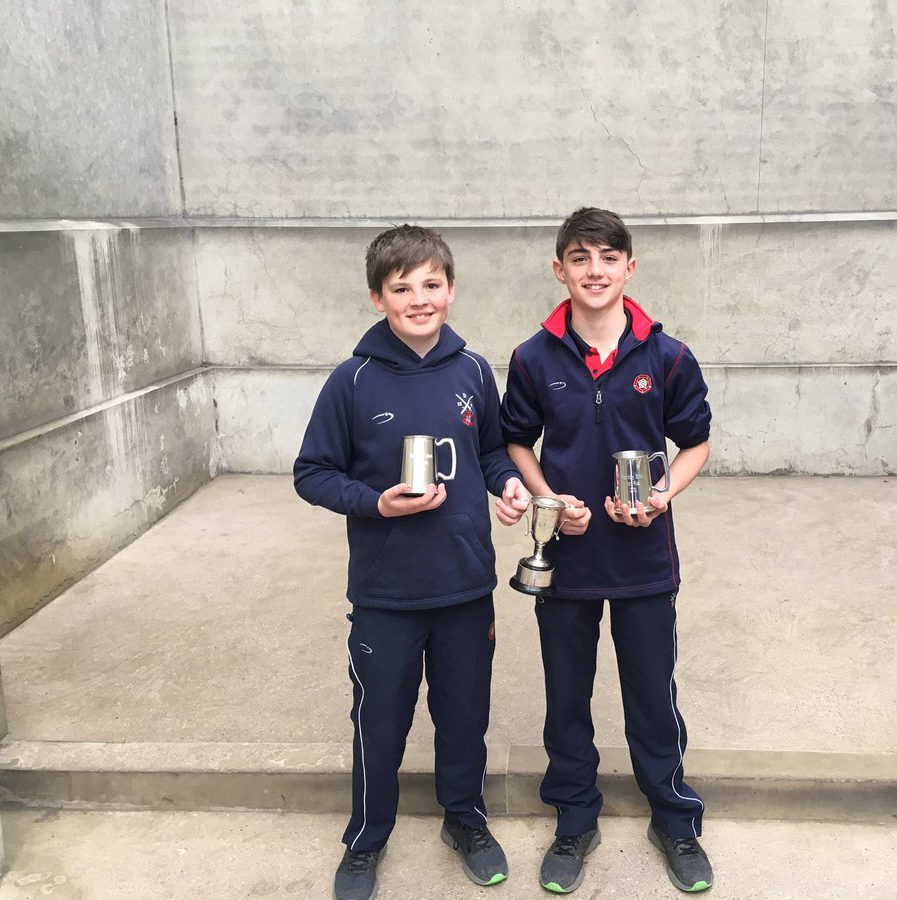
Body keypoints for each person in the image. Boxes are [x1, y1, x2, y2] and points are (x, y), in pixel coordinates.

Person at [294, 225, 530, 900]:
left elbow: (491, 451)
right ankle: (367, 839)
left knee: (464, 717)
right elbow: (311, 473)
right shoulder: (352, 381)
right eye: (402, 289)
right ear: (378, 298)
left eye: (432, 285)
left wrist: (506, 485)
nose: (419, 300)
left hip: (464, 588)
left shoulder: (475, 371)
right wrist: (377, 505)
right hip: (386, 594)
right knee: (380, 721)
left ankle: (466, 820)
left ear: (451, 290)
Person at [501, 207, 715, 894]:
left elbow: (697, 442)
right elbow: (515, 442)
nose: (595, 271)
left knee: (651, 691)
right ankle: (574, 817)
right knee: (568, 693)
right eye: (580, 258)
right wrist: (548, 501)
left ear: (630, 267)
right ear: (559, 269)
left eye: (608, 257)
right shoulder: (534, 358)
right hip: (568, 557)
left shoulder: (668, 356)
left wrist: (662, 496)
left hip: (645, 556)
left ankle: (674, 820)